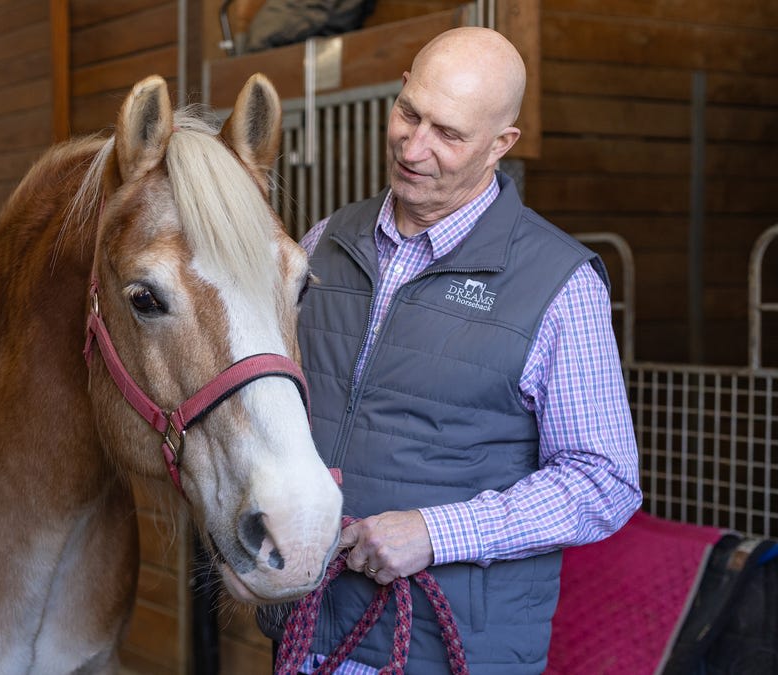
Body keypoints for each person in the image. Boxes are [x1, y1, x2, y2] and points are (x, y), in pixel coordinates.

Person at [260, 27, 642, 674]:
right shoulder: (324, 242)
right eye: (409, 112)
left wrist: (439, 531)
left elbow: (605, 480)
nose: (414, 147)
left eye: (449, 133)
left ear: (501, 145)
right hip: (308, 623)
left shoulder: (559, 284)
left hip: (448, 645)